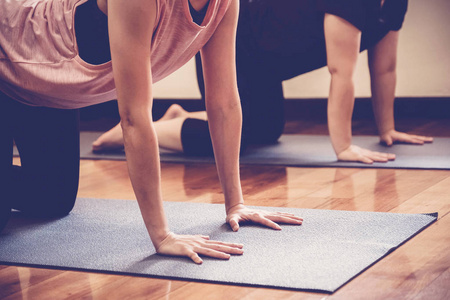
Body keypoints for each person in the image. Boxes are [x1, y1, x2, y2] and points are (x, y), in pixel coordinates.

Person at [0, 0, 304, 263]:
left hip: (51, 92)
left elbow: (224, 102)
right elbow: (133, 116)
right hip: (8, 59)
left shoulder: (224, 4)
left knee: (52, 201)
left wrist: (235, 203)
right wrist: (162, 235)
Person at [93, 0, 433, 164]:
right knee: (245, 135)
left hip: (266, 63)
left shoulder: (395, 4)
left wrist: (386, 129)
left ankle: (177, 117)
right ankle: (142, 131)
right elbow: (340, 71)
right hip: (239, 48)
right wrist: (343, 147)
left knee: (267, 131)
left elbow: (385, 67)